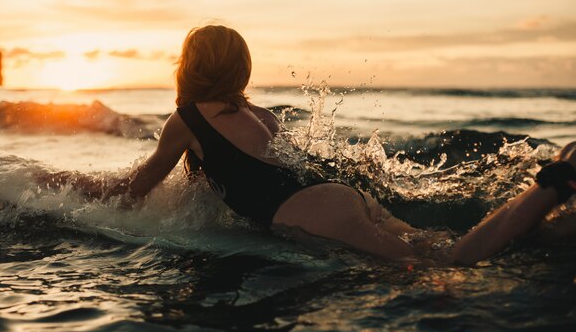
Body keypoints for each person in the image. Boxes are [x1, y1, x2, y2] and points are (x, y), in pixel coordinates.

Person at [108, 25, 576, 266]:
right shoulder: (261, 115)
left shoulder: (186, 119)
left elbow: (139, 186)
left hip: (317, 214)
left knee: (448, 266)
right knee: (445, 246)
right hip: (345, 197)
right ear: (240, 69)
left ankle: (555, 181)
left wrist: (71, 204)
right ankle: (553, 226)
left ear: (189, 67)